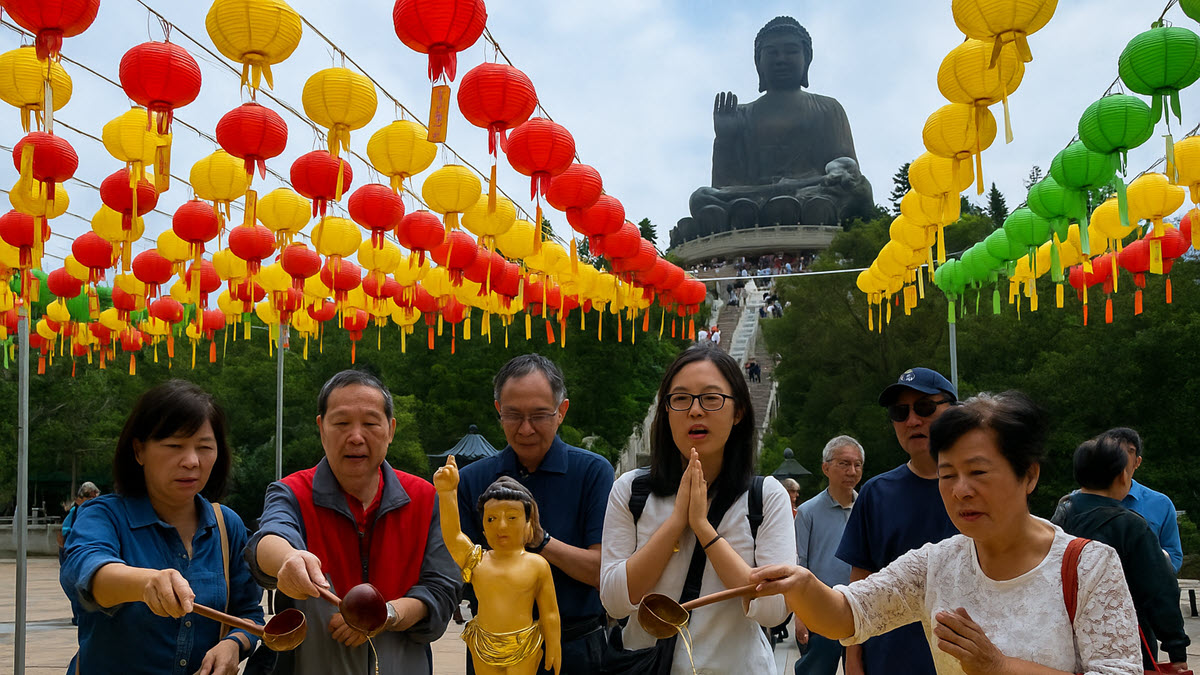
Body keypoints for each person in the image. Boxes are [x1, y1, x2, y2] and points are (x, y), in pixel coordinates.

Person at [751, 391, 1141, 675]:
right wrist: (801, 585)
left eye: (978, 472)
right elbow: (848, 614)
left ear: (1029, 475)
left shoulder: (1088, 565)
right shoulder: (936, 564)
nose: (960, 490)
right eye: (948, 474)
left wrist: (998, 666)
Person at [246, 370, 461, 675]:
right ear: (322, 428)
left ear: (390, 429)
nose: (356, 437)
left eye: (371, 423)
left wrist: (385, 614)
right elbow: (269, 536)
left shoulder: (425, 498)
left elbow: (443, 588)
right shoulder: (292, 491)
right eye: (342, 423)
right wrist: (289, 559)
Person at [600, 345, 795, 674]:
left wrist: (703, 528)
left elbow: (774, 609)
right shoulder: (631, 490)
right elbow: (615, 600)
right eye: (681, 398)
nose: (695, 411)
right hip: (646, 666)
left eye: (711, 398)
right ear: (666, 411)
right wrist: (676, 522)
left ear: (739, 412)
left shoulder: (764, 496)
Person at [60, 380, 264, 675]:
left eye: (204, 447)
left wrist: (233, 643)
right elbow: (87, 572)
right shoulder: (103, 516)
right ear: (139, 450)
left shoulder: (226, 525)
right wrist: (145, 584)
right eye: (174, 446)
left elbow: (249, 615)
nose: (192, 461)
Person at [457, 354, 614, 674]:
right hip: (496, 652)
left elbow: (603, 573)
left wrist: (540, 540)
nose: (525, 429)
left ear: (562, 412)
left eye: (539, 415)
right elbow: (461, 568)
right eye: (513, 415)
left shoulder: (592, 473)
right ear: (499, 410)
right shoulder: (472, 480)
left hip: (575, 648)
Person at [835, 367, 959, 675]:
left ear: (954, 413)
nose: (913, 420)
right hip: (889, 656)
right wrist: (852, 656)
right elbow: (860, 581)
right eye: (899, 412)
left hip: (962, 655)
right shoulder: (876, 493)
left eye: (925, 407)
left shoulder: (977, 489)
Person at [1053, 435, 1189, 670]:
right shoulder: (1131, 525)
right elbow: (1160, 591)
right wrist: (1176, 648)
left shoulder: (1059, 517)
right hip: (1123, 636)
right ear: (1123, 475)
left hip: (1063, 636)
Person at [436, 464, 562, 675]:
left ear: (528, 524)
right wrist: (447, 493)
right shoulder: (477, 560)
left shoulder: (537, 565)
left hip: (524, 644)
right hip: (483, 643)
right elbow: (454, 536)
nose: (501, 526)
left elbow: (549, 612)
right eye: (491, 519)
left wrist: (554, 644)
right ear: (483, 527)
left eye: (512, 517)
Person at [1052, 427, 1183, 573]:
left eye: (1130, 450)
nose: (1123, 454)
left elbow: (1174, 556)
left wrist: (1151, 561)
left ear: (1137, 462)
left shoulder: (1161, 504)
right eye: (1114, 448)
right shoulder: (1073, 504)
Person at [793, 436, 863, 675]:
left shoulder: (868, 507)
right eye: (844, 464)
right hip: (819, 610)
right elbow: (799, 564)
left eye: (858, 464)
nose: (852, 471)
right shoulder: (807, 512)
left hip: (862, 609)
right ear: (826, 467)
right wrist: (799, 615)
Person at [58, 482, 101, 562]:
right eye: (88, 496)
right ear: (80, 498)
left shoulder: (98, 511)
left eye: (94, 496)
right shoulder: (75, 511)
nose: (92, 499)